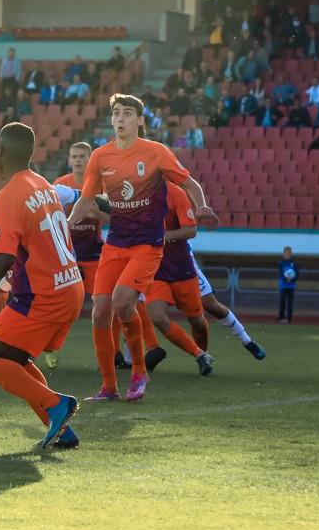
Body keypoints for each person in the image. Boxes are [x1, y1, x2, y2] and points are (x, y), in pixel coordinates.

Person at [68, 94, 219, 403]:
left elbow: (190, 184)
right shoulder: (101, 156)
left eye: (127, 113)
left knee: (123, 303)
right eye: (116, 113)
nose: (120, 118)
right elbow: (87, 198)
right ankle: (108, 387)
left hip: (147, 246)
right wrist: (68, 223)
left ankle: (139, 371)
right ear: (111, 120)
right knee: (99, 313)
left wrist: (202, 206)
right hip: (115, 244)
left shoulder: (156, 152)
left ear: (139, 120)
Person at [0, 122, 82, 451]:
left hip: (44, 294)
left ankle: (56, 404)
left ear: (0, 151)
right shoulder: (43, 184)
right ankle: (62, 430)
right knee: (16, 360)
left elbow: (5, 257)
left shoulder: (10, 194)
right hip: (67, 284)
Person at [46, 141, 107, 369]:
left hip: (93, 252)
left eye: (83, 156)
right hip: (66, 254)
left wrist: (96, 214)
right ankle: (52, 347)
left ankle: (112, 353)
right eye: (75, 156)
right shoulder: (60, 185)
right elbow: (49, 216)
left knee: (103, 305)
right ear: (69, 160)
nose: (79, 160)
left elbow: (116, 217)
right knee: (59, 305)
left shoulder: (101, 185)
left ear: (90, 160)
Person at [145, 186, 215, 376]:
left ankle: (204, 355)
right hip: (155, 270)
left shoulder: (176, 193)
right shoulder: (135, 193)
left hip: (181, 269)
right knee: (157, 316)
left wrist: (165, 236)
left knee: (197, 321)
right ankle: (199, 355)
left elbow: (191, 230)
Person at [278, 246, 298, 323]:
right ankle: (281, 317)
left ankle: (289, 318)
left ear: (291, 254)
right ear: (283, 254)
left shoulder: (294, 263)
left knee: (290, 302)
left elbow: (296, 273)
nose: (287, 254)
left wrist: (292, 279)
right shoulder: (281, 263)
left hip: (291, 286)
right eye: (286, 253)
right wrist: (286, 278)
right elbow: (280, 273)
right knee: (282, 301)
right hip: (283, 286)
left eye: (289, 253)